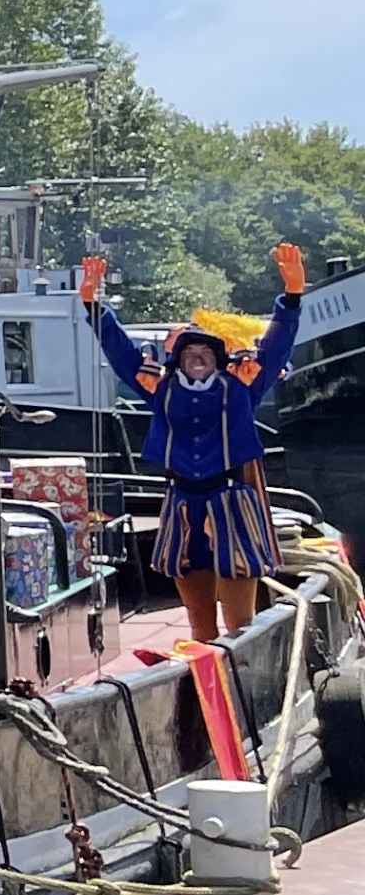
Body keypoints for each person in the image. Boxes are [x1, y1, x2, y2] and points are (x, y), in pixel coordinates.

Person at [83, 243, 305, 642]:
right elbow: (121, 355)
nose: (197, 357)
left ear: (219, 359)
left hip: (231, 501)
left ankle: (243, 672)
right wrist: (94, 306)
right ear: (178, 360)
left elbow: (276, 348)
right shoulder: (161, 389)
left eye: (206, 352)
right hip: (182, 502)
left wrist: (291, 298)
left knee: (241, 624)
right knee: (199, 622)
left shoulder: (240, 385)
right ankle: (203, 676)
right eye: (190, 352)